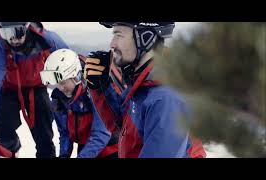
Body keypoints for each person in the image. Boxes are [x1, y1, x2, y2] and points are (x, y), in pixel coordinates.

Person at [84, 22, 206, 158]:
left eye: (119, 35)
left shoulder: (166, 98)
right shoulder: (144, 85)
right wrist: (100, 86)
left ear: (146, 38)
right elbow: (123, 124)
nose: (112, 44)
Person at [0, 22, 69, 158]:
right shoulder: (2, 47)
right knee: (2, 126)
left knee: (43, 130)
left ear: (26, 28)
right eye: (6, 33)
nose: (12, 39)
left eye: (16, 32)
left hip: (37, 88)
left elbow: (68, 60)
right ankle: (11, 150)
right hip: (10, 89)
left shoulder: (47, 40)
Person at [40, 49, 119, 158]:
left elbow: (101, 133)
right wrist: (64, 155)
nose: (61, 88)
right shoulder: (58, 97)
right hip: (85, 148)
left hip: (111, 150)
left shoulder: (95, 91)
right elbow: (64, 133)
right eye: (57, 84)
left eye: (63, 83)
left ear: (75, 76)